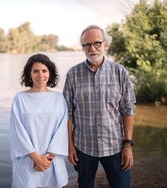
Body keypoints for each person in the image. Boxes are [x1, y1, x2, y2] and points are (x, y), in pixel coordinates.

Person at [63, 25, 136, 188]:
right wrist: (70, 146)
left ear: (105, 44)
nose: (92, 48)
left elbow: (128, 109)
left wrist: (128, 145)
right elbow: (67, 114)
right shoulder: (72, 74)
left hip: (115, 146)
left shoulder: (120, 72)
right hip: (83, 146)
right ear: (82, 48)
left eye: (97, 43)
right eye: (87, 45)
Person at [10, 53, 69, 188]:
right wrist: (37, 159)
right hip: (28, 161)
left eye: (44, 71)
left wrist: (47, 159)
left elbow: (62, 132)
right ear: (29, 74)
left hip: (52, 161)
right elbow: (18, 132)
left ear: (50, 73)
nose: (40, 75)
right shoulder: (20, 99)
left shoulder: (59, 98)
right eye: (35, 71)